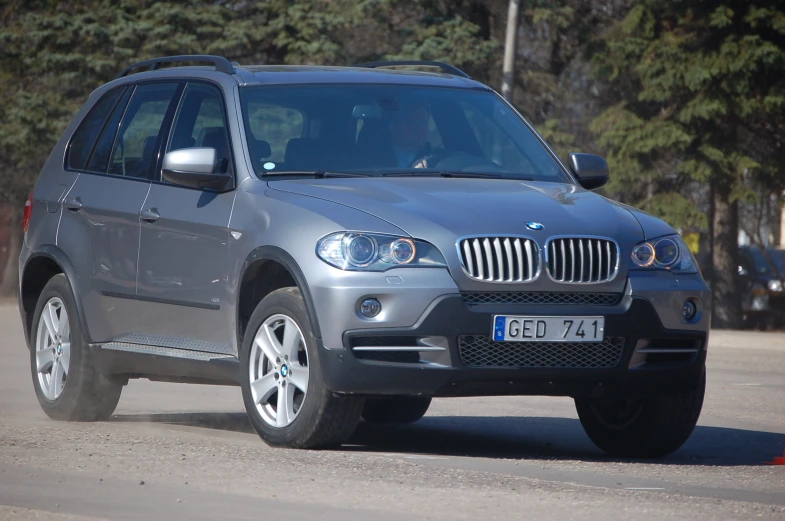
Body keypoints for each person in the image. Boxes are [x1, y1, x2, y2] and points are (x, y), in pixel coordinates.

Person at [387, 100, 432, 168]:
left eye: (424, 122)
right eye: (413, 122)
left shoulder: (437, 160)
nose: (420, 128)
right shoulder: (374, 158)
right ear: (393, 126)